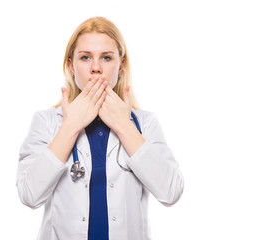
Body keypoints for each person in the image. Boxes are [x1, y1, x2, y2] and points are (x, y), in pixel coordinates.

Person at [16, 16, 184, 240]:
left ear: (121, 65)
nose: (96, 68)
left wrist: (124, 126)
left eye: (106, 58)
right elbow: (29, 195)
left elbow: (170, 192)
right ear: (70, 66)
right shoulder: (47, 122)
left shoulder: (144, 124)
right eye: (85, 57)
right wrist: (71, 126)